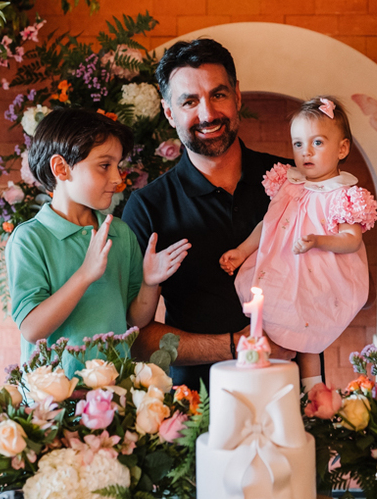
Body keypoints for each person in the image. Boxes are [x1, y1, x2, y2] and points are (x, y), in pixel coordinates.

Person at [121, 38, 292, 394]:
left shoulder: (291, 181)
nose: (207, 114)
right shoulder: (148, 207)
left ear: (238, 96)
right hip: (194, 409)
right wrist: (236, 344)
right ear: (169, 113)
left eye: (218, 95)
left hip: (291, 390)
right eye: (189, 101)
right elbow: (134, 338)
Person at [7, 108, 190, 370]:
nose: (117, 178)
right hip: (53, 405)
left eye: (118, 166)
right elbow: (32, 329)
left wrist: (150, 282)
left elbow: (136, 321)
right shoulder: (29, 239)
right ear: (61, 168)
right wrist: (85, 275)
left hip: (116, 396)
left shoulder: (120, 233)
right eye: (104, 165)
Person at [220, 97, 377, 385]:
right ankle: (278, 386)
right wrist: (242, 252)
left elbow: (351, 240)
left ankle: (313, 390)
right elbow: (267, 225)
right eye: (298, 144)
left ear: (342, 148)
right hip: (284, 267)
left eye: (317, 143)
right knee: (277, 325)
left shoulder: (341, 195)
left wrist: (319, 240)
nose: (306, 152)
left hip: (320, 272)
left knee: (308, 334)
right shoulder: (289, 185)